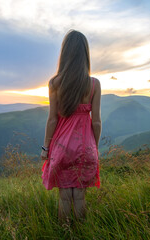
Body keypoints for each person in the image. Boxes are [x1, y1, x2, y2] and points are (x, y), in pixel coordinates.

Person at [41, 30, 101, 222]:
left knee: (65, 197)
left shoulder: (55, 83)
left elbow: (52, 119)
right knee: (80, 196)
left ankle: (65, 232)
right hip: (86, 148)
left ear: (64, 54)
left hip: (61, 147)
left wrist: (45, 148)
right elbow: (97, 121)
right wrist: (94, 146)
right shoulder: (94, 84)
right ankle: (82, 232)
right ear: (85, 54)